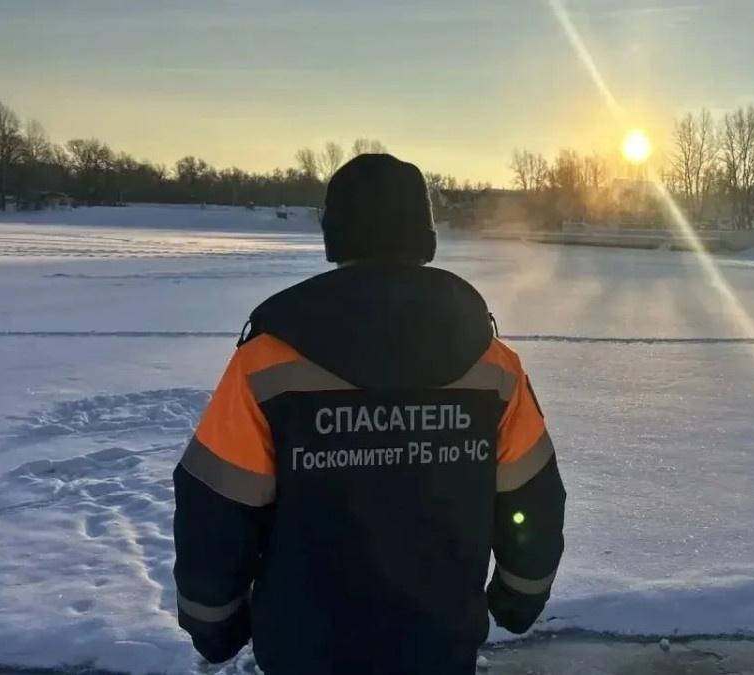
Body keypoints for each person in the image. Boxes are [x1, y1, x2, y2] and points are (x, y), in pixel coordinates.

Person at [171, 153, 567, 674]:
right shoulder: (492, 366)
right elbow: (532, 498)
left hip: (305, 650)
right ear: (424, 235)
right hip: (439, 646)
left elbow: (216, 506)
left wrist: (215, 622)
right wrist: (518, 596)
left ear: (336, 235)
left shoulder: (267, 361)